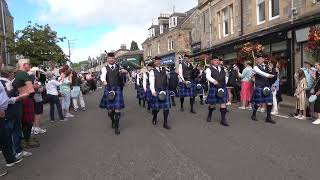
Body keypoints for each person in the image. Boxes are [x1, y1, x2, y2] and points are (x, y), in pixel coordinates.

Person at [12, 59, 40, 148]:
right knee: (28, 121)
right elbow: (31, 90)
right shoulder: (24, 74)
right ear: (24, 65)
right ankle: (27, 141)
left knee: (24, 121)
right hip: (26, 99)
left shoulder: (17, 73)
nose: (30, 66)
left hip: (20, 99)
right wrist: (35, 87)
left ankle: (26, 139)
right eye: (29, 64)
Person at [99, 52, 128, 135]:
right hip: (108, 89)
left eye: (112, 58)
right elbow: (102, 77)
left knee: (117, 109)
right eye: (109, 58)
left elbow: (125, 72)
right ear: (107, 59)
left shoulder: (119, 67)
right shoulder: (105, 68)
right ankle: (112, 120)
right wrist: (104, 82)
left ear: (114, 59)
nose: (111, 59)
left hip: (117, 89)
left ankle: (117, 127)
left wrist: (125, 71)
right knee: (110, 111)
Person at [251, 55, 276, 124]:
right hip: (259, 86)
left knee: (269, 102)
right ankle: (253, 115)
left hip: (267, 86)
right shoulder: (255, 67)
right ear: (257, 60)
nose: (261, 60)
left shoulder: (267, 67)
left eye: (262, 59)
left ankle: (268, 117)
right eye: (259, 59)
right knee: (258, 103)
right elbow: (260, 73)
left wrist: (272, 70)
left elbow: (273, 77)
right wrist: (268, 75)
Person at [205, 55, 229, 126]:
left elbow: (226, 76)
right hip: (214, 88)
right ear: (212, 61)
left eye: (218, 60)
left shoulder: (222, 69)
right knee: (212, 104)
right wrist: (213, 81)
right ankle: (209, 114)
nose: (217, 61)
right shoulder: (208, 69)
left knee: (223, 103)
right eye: (215, 60)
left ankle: (223, 119)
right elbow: (208, 76)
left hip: (222, 88)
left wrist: (225, 84)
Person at [149, 56, 171, 129]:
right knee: (157, 109)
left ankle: (165, 123)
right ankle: (154, 117)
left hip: (165, 90)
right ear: (155, 63)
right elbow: (151, 82)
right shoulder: (152, 72)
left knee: (166, 108)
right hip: (157, 91)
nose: (158, 62)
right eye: (157, 61)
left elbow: (169, 78)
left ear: (161, 62)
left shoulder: (165, 70)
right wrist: (153, 91)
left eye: (159, 61)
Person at [30, 68, 46, 135]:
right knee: (38, 113)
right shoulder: (35, 78)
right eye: (38, 72)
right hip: (37, 98)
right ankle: (37, 128)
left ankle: (33, 128)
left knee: (34, 113)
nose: (39, 73)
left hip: (32, 98)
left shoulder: (29, 77)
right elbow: (39, 89)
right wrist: (41, 87)